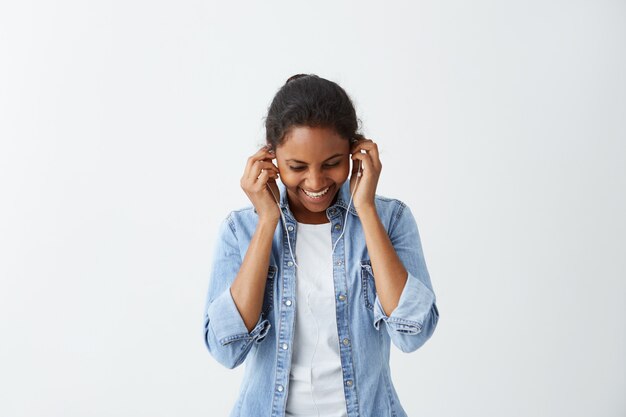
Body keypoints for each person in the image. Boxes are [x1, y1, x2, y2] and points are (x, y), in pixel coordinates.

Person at [203, 74, 439, 417]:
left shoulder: (391, 220)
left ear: (354, 152)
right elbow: (226, 350)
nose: (315, 182)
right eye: (297, 167)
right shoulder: (240, 230)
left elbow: (412, 332)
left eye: (332, 164)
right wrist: (268, 221)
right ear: (271, 158)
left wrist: (367, 210)